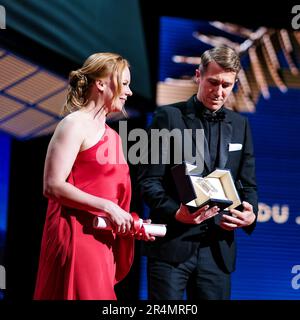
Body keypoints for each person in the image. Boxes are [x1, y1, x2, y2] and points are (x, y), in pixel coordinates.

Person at [137, 46, 258, 300]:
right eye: (213, 82)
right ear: (198, 76)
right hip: (172, 248)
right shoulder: (167, 117)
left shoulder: (240, 125)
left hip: (217, 252)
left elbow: (248, 186)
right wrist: (176, 212)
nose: (219, 91)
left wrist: (251, 214)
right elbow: (148, 182)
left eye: (227, 84)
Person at [34, 52, 152, 300]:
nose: (129, 92)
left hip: (102, 242)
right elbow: (52, 185)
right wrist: (108, 208)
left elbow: (113, 199)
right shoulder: (74, 124)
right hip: (76, 236)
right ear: (101, 83)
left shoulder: (114, 137)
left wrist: (131, 225)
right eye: (125, 83)